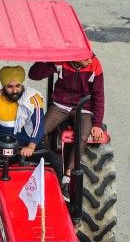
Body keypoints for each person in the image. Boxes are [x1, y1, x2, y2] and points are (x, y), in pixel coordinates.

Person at [29, 54, 105, 198]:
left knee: (83, 136)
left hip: (83, 108)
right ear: (76, 55)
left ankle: (67, 176)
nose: (90, 59)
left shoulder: (94, 64)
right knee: (40, 131)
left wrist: (97, 124)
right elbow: (34, 75)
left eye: (91, 56)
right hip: (60, 105)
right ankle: (49, 165)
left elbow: (99, 96)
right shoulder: (61, 59)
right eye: (86, 56)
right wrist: (46, 55)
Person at [0, 66, 49, 209]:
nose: (15, 90)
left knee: (55, 163)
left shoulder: (33, 99)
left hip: (27, 143)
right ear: (3, 86)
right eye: (10, 86)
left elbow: (38, 124)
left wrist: (31, 146)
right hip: (1, 144)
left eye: (18, 86)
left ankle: (58, 204)